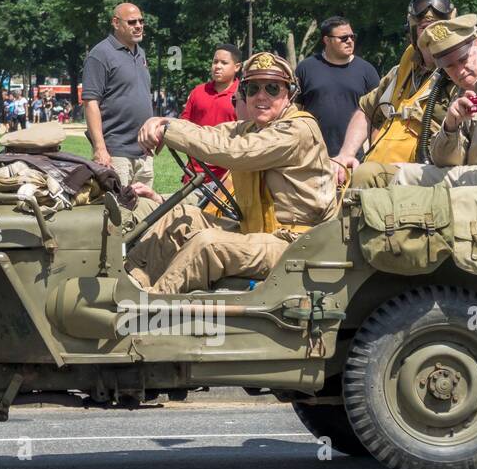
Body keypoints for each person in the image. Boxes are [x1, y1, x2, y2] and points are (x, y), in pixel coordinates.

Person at [125, 52, 337, 295]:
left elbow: (237, 151)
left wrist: (169, 131)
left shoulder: (297, 129)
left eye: (272, 88)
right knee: (183, 216)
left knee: (207, 244)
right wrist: (161, 121)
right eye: (252, 88)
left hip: (296, 243)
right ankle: (130, 282)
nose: (261, 96)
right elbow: (210, 134)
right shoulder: (253, 128)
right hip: (257, 233)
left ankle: (147, 308)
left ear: (289, 94)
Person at [334, 0, 456, 186]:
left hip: (422, 178)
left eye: (438, 28)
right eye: (425, 28)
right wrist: (345, 154)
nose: (432, 36)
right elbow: (366, 109)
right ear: (412, 32)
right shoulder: (400, 72)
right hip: (378, 173)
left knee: (365, 175)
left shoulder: (459, 74)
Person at [388, 14, 477, 187]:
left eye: (463, 59)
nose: (460, 71)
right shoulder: (458, 95)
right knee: (399, 176)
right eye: (450, 66)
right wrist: (450, 128)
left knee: (406, 178)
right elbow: (446, 162)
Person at [83, 2, 154, 188]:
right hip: (116, 152)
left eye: (141, 21)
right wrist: (100, 149)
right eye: (131, 22)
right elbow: (91, 103)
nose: (138, 25)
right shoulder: (100, 54)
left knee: (146, 210)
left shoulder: (141, 54)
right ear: (116, 23)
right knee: (119, 211)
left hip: (143, 152)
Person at [293, 16, 381, 159]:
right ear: (327, 40)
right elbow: (295, 112)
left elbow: (377, 118)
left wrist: (374, 156)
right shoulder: (306, 68)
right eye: (343, 38)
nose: (350, 41)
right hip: (311, 156)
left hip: (353, 158)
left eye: (352, 36)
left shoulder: (367, 71)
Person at [179, 43, 242, 180]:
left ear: (237, 67)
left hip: (228, 178)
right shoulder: (198, 92)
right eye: (215, 62)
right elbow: (184, 126)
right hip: (194, 175)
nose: (217, 66)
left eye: (224, 63)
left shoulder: (244, 96)